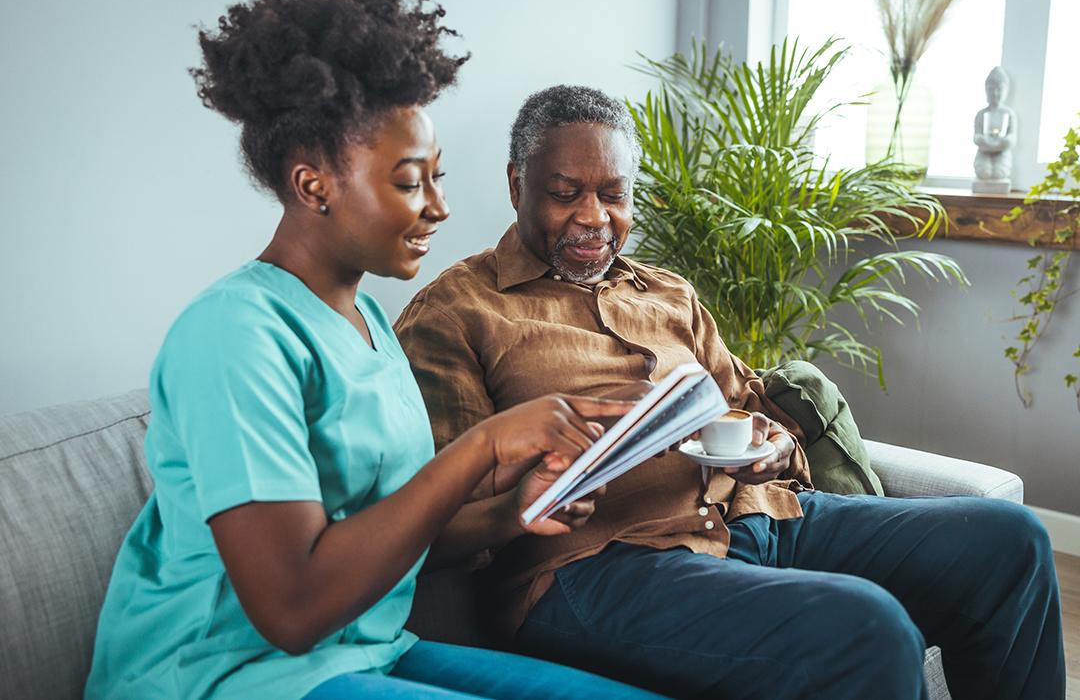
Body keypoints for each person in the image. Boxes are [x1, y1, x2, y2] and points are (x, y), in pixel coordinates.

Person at [84, 0, 667, 700]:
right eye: (408, 181)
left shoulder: (370, 331)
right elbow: (292, 610)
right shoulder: (235, 334)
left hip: (369, 652)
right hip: (228, 679)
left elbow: (401, 536)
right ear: (312, 185)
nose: (439, 207)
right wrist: (482, 449)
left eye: (437, 176)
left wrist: (515, 511)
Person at [394, 85, 1067, 699]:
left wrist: (771, 446)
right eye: (566, 193)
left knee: (1008, 541)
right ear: (518, 185)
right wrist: (534, 490)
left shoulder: (667, 293)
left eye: (614, 195)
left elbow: (745, 407)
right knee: (869, 630)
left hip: (755, 516)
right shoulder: (456, 313)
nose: (594, 217)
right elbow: (440, 525)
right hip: (596, 569)